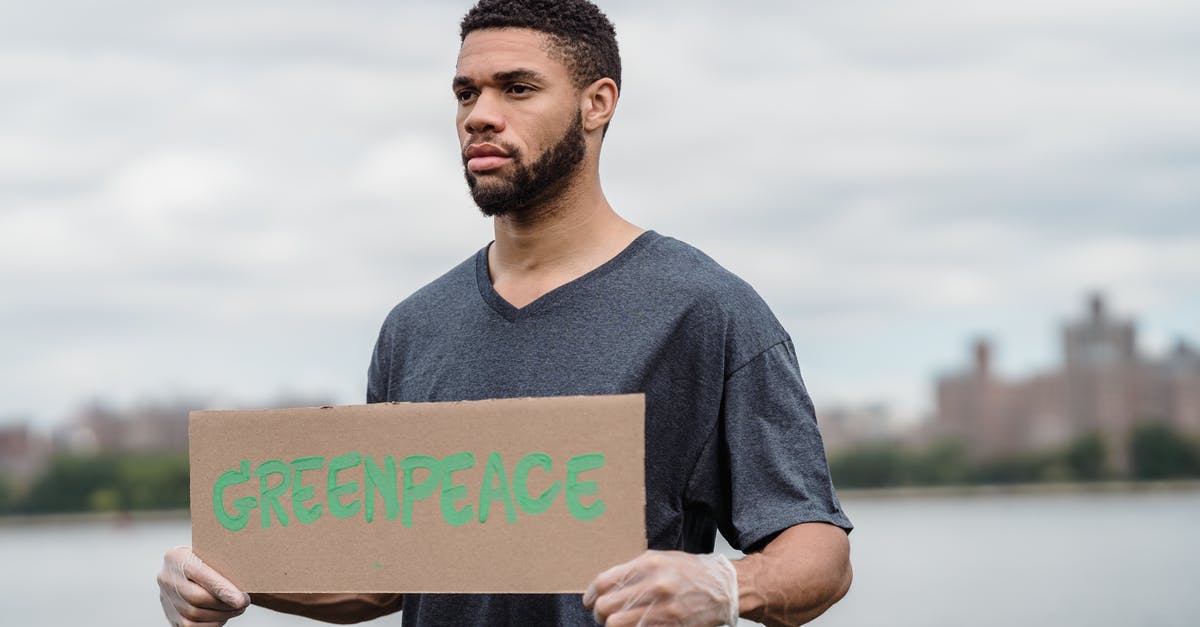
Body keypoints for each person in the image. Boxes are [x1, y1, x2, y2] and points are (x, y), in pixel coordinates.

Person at [157, 0, 853, 625]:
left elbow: (820, 554)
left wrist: (725, 584)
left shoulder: (707, 309)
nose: (479, 114)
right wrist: (227, 574)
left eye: (517, 88)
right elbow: (389, 576)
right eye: (466, 92)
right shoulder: (413, 327)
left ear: (597, 102)